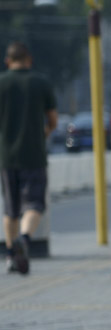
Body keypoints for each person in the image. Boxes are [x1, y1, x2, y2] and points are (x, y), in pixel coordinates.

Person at [0, 41, 58, 275]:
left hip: (6, 157)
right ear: (29, 59)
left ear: (7, 61)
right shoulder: (41, 83)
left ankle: (13, 254)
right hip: (34, 154)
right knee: (34, 204)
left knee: (11, 210)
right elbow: (53, 120)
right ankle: (25, 239)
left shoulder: (1, 84)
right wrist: (42, 135)